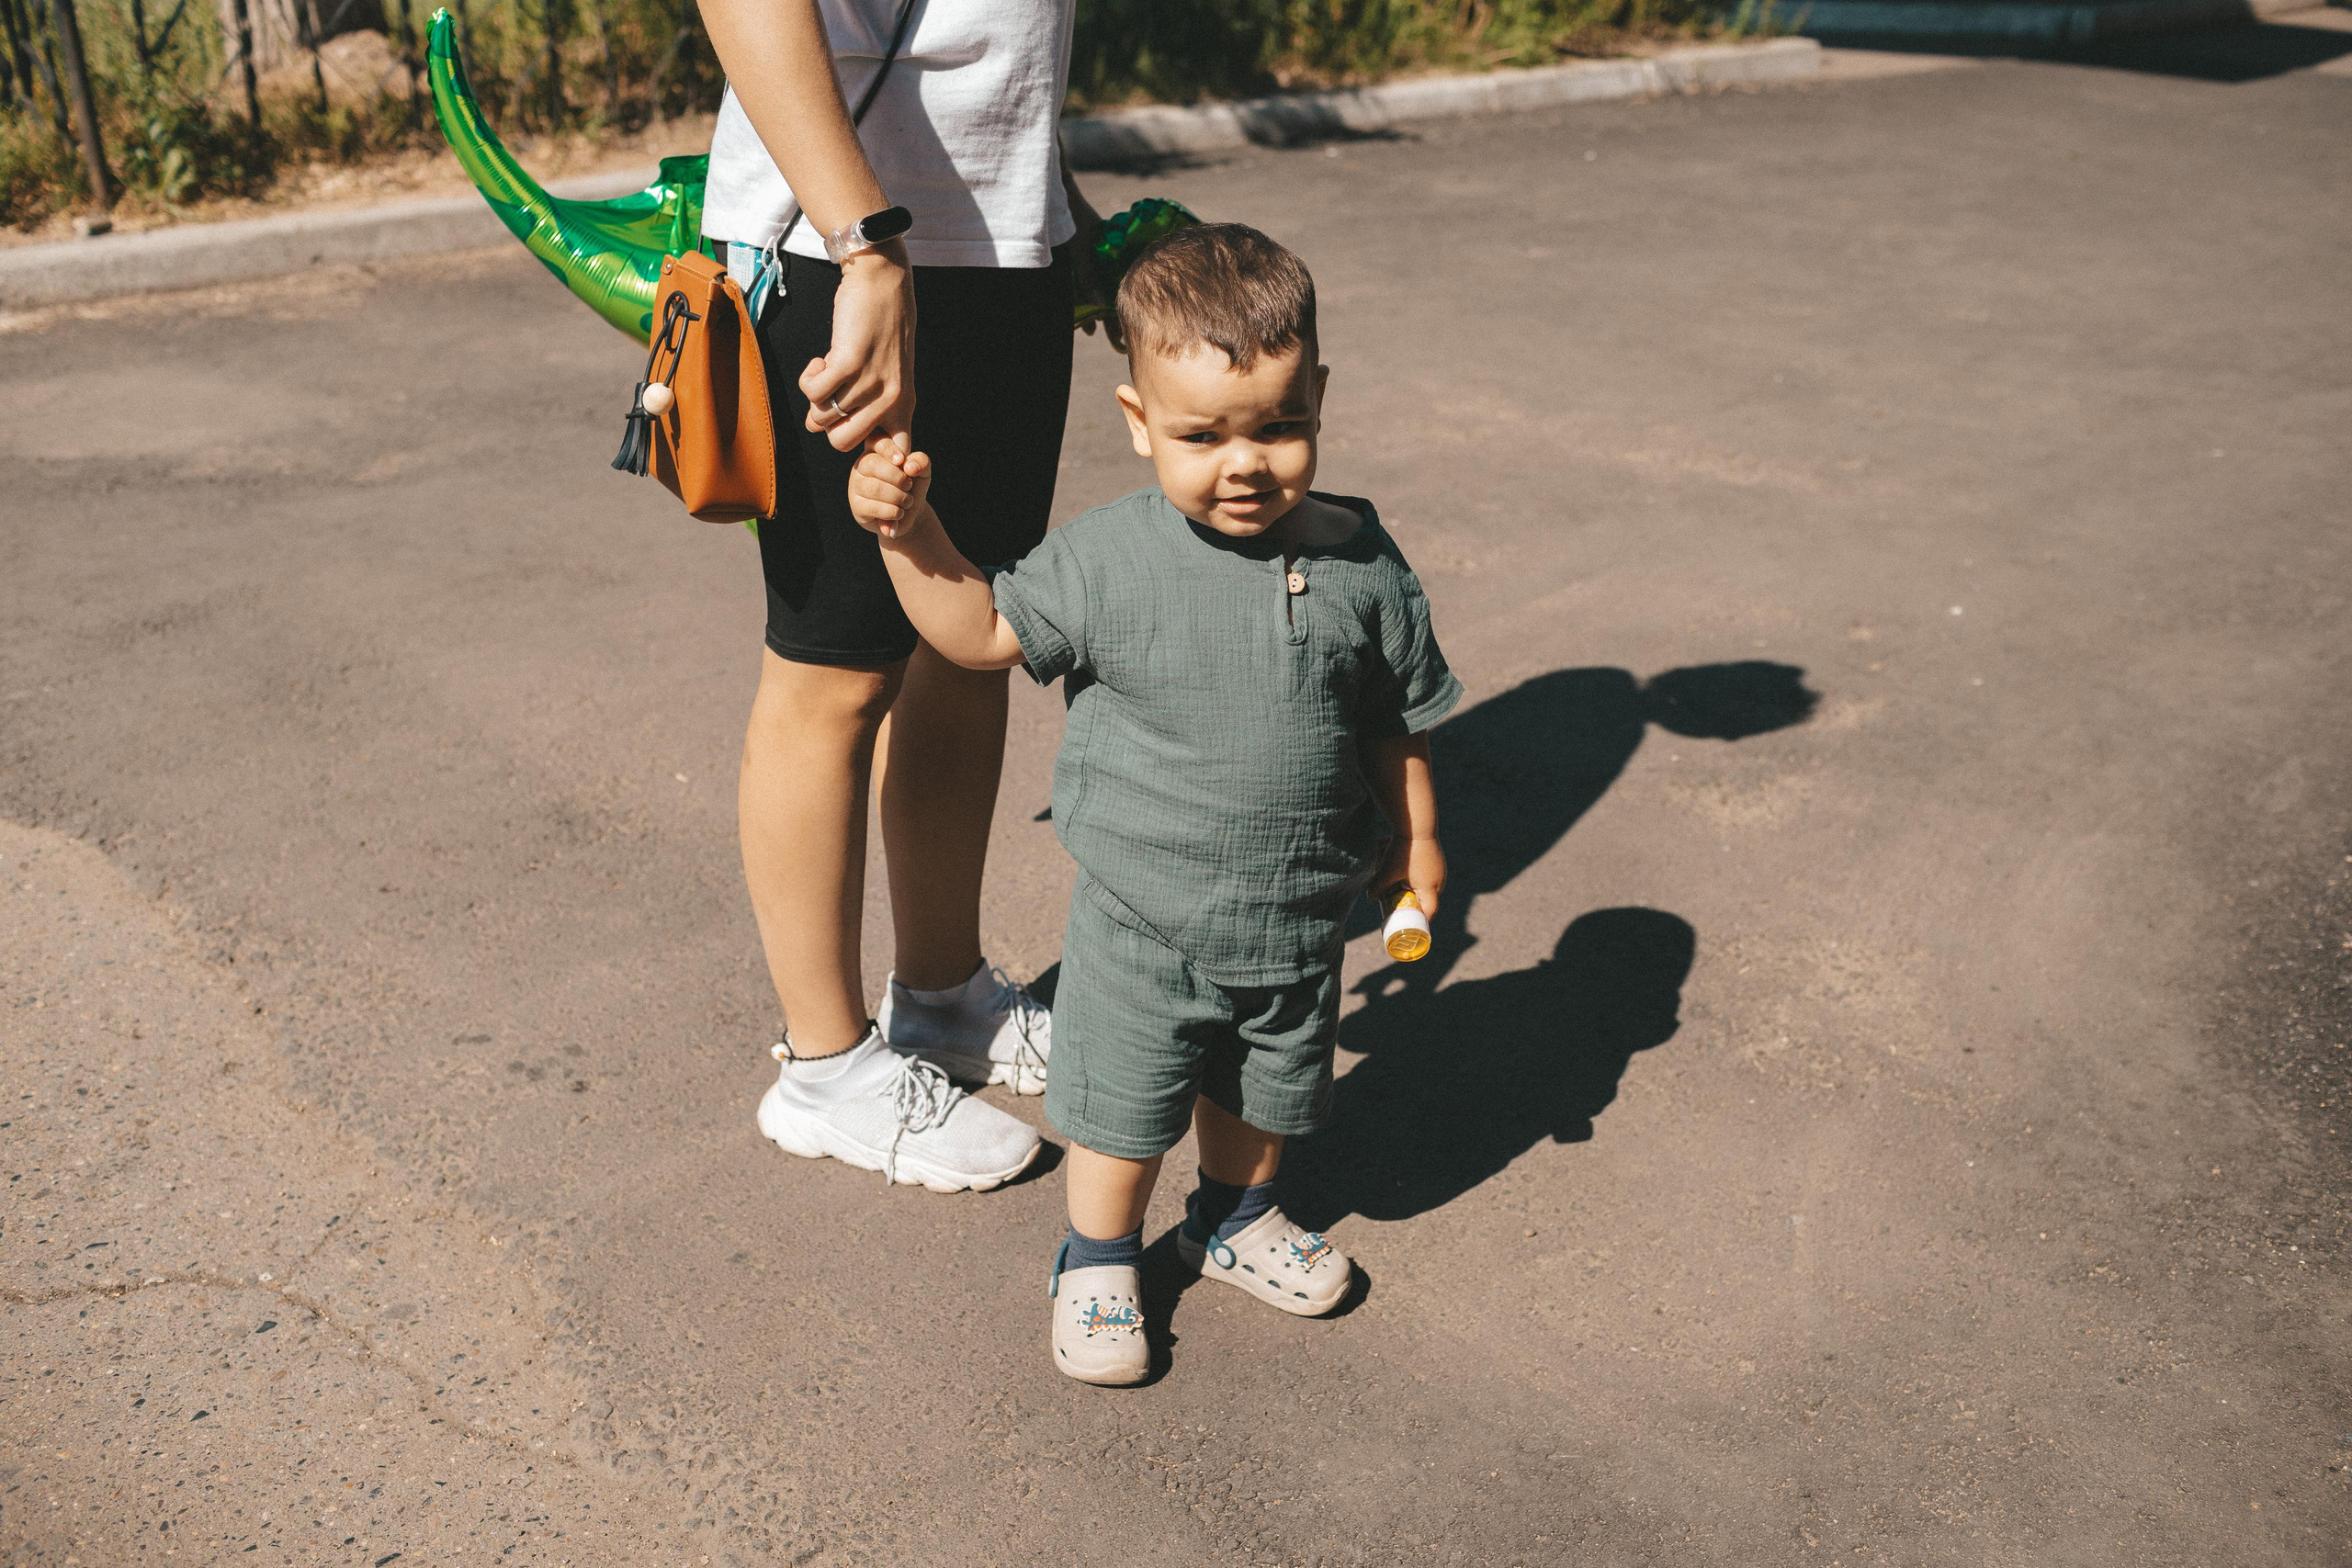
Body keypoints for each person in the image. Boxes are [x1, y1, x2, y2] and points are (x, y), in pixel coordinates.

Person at [845, 224, 1461, 1382]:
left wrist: (1416, 840)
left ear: (1320, 396)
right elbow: (977, 634)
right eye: (1201, 435)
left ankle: (1231, 1218)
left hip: (1297, 914)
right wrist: (907, 530)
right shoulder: (1109, 561)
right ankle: (1097, 1257)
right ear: (1138, 423)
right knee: (1121, 1110)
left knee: (1263, 1090)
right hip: (1143, 919)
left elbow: (1393, 719)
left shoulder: (1364, 565)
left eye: (1280, 427)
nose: (1245, 464)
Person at [695, 0, 1120, 1191]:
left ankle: (942, 996)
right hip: (844, 253)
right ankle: (824, 1066)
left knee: (971, 634)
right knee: (834, 666)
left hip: (1003, 249)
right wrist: (868, 246)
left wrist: (1063, 211)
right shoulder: (860, 253)